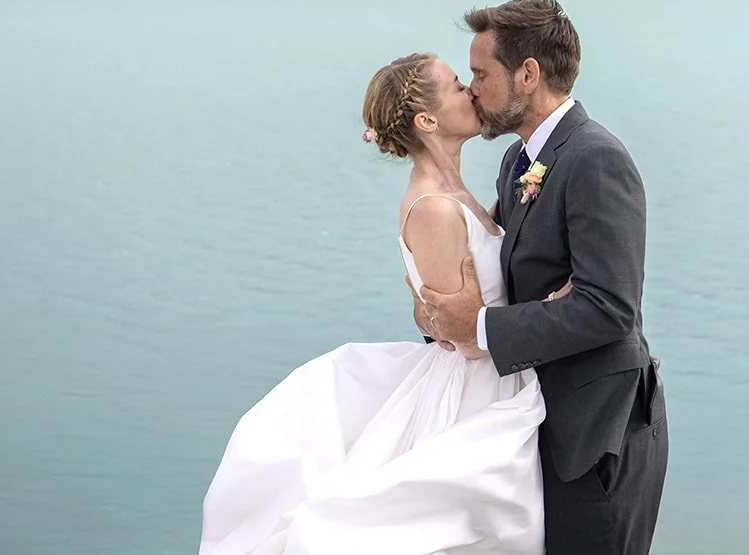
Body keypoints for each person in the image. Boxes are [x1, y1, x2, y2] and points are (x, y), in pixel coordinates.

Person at [197, 53, 545, 555]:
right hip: (477, 391)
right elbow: (466, 340)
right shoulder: (433, 209)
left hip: (497, 374)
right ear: (427, 120)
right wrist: (557, 302)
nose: (471, 90)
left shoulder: (456, 193)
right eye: (455, 86)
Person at [420, 0, 668, 555]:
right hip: (542, 426)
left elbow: (609, 307)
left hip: (599, 436)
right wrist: (439, 313)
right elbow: (494, 270)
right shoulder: (519, 161)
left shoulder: (595, 158)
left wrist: (479, 328)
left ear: (527, 74)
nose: (473, 87)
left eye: (481, 73)